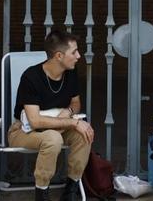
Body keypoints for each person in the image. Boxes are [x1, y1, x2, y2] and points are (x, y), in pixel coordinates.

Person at [9, 29, 94, 201]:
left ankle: (71, 189)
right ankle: (41, 193)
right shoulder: (31, 77)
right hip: (24, 132)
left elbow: (75, 102)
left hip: (58, 126)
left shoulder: (70, 73)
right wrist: (73, 122)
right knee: (53, 138)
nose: (79, 56)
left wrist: (69, 112)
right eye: (74, 52)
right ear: (59, 56)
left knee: (84, 134)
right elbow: (35, 121)